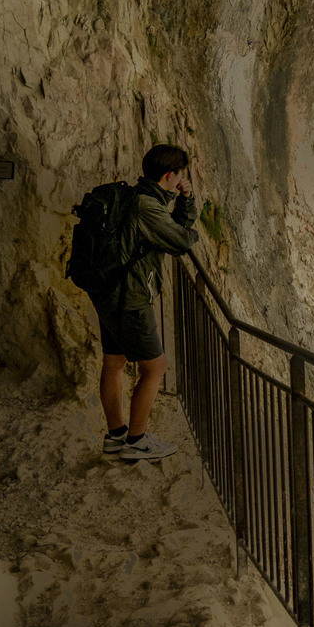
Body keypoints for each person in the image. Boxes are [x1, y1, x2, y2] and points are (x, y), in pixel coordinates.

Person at [94, 144, 198, 461]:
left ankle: (115, 437)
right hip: (129, 297)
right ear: (171, 175)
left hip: (107, 290)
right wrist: (189, 221)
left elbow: (167, 228)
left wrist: (183, 199)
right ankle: (136, 441)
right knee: (155, 368)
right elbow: (180, 240)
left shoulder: (136, 196)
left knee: (114, 362)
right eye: (179, 176)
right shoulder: (146, 207)